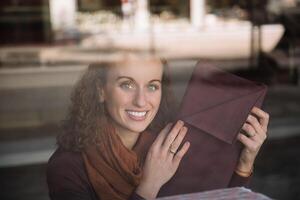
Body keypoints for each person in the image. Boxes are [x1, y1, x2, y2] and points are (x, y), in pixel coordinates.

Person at [47, 54, 269, 200]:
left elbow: (214, 195)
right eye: (127, 84)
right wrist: (149, 186)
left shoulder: (169, 141)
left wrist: (244, 163)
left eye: (152, 86)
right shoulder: (67, 167)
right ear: (100, 90)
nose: (142, 101)